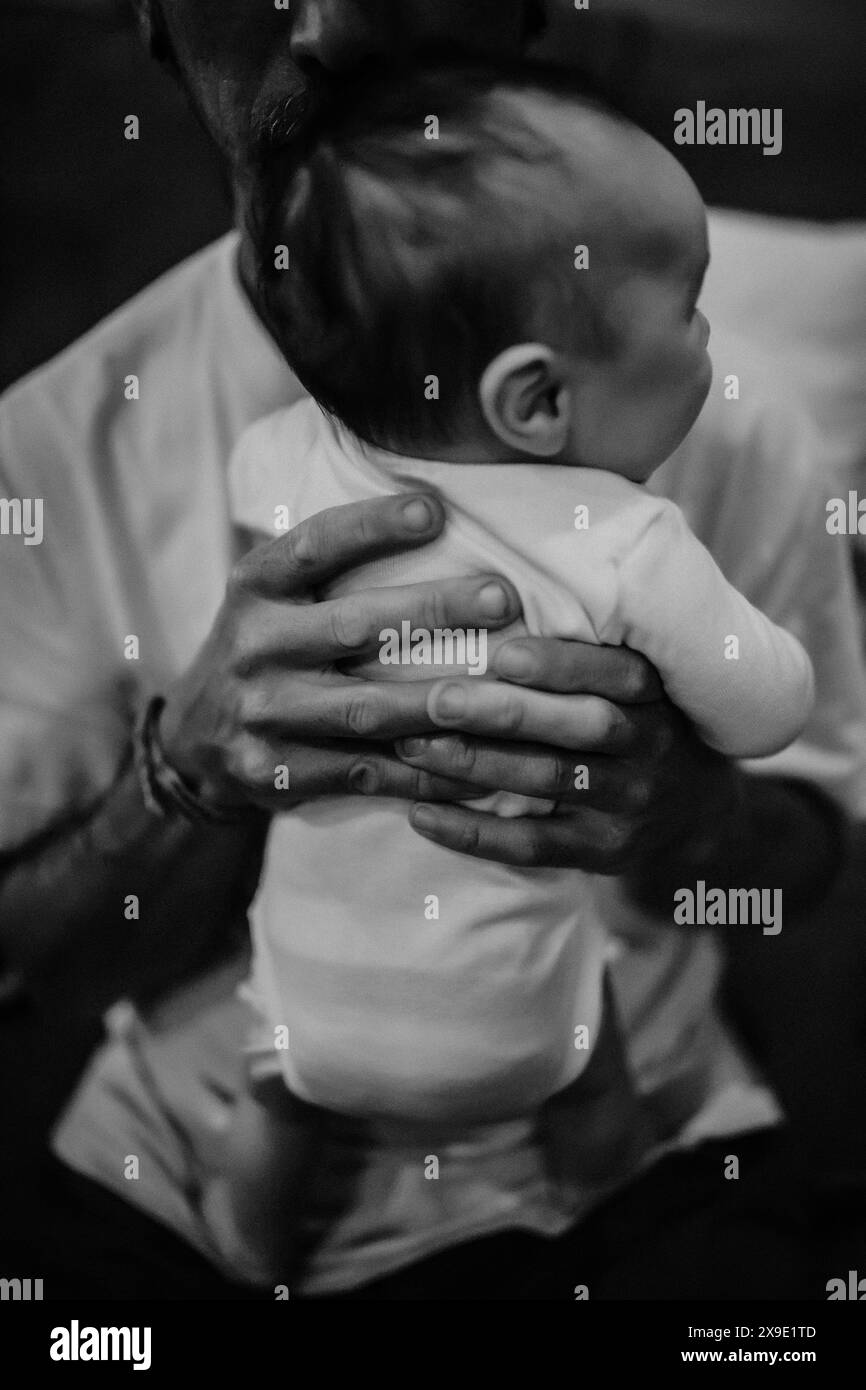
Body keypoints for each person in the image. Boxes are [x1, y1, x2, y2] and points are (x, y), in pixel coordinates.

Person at [0, 1, 863, 1298]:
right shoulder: (55, 453)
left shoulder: (726, 417)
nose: (336, 20)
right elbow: (30, 966)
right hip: (160, 1178)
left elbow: (813, 852)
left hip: (629, 1167)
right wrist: (181, 774)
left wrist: (676, 814)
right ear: (152, 17)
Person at [204, 68, 814, 1282]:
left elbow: (249, 544)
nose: (707, 340)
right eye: (688, 309)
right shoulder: (626, 542)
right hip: (516, 1024)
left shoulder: (278, 458)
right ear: (534, 397)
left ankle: (250, 1232)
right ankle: (599, 1156)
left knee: (278, 1092)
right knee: (589, 1042)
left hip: (308, 994)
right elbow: (770, 708)